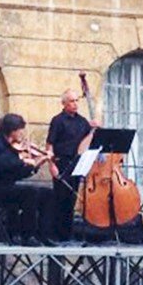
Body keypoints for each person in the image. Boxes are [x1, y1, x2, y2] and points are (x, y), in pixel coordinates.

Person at [0, 114, 57, 247]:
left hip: (5, 188)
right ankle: (27, 235)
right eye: (20, 130)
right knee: (30, 192)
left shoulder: (7, 147)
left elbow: (16, 173)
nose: (22, 134)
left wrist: (37, 164)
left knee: (47, 193)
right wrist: (25, 161)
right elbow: (7, 164)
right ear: (13, 130)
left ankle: (42, 234)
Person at [46, 89, 100, 242]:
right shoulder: (57, 120)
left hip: (77, 162)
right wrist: (51, 165)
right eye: (71, 101)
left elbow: (90, 140)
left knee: (71, 200)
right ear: (64, 103)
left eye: (77, 100)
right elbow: (49, 144)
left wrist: (95, 128)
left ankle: (67, 234)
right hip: (61, 162)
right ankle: (57, 235)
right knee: (60, 199)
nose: (75, 104)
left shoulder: (82, 121)